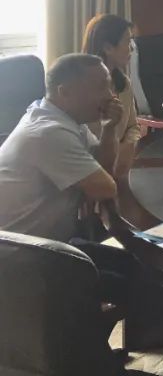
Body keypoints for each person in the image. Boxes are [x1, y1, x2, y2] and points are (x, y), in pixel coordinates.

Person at [0, 54, 136, 303]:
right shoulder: (48, 133)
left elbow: (101, 169)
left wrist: (108, 128)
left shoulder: (63, 119)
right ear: (64, 92)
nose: (110, 95)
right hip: (22, 261)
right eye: (100, 87)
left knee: (139, 266)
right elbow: (106, 188)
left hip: (49, 244)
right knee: (139, 286)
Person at [82, 13, 141, 176]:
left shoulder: (124, 83)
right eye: (127, 41)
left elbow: (133, 127)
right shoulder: (81, 90)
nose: (132, 48)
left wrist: (125, 148)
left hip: (121, 164)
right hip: (89, 168)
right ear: (108, 47)